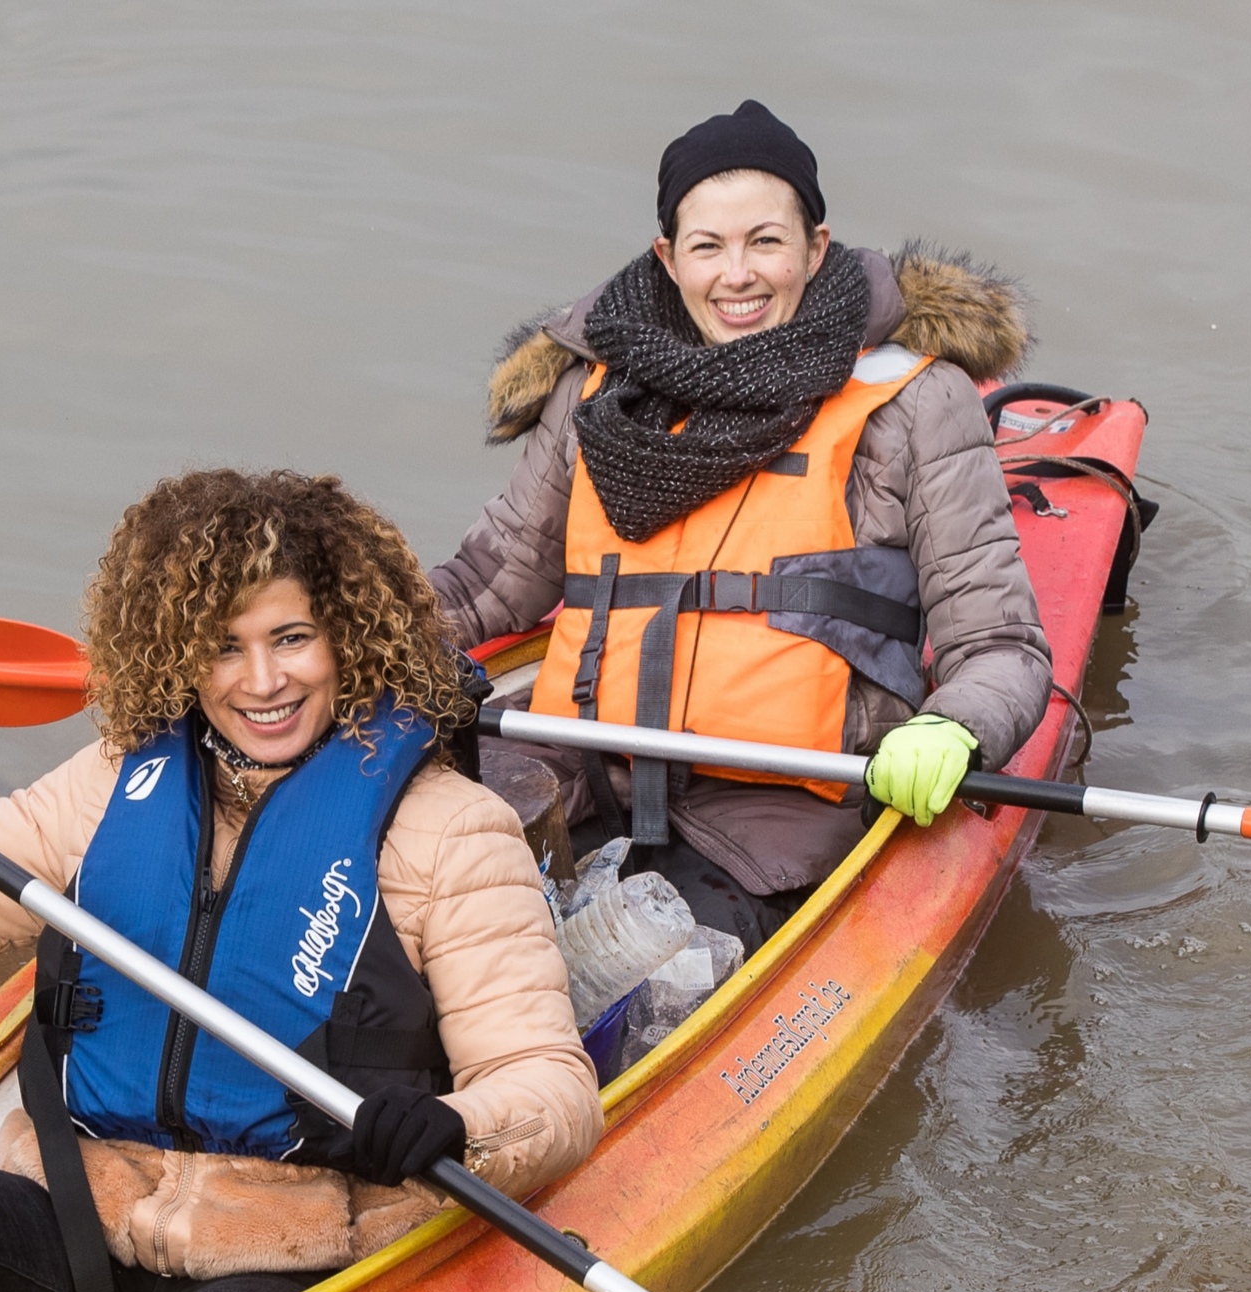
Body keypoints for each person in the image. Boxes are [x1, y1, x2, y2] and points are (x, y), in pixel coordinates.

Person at [0, 468, 602, 1292]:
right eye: (223, 647)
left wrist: (461, 1127)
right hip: (90, 1223)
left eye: (292, 639)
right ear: (175, 654)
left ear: (349, 639)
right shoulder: (118, 782)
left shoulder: (449, 830)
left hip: (299, 1257)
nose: (262, 682)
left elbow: (549, 1086)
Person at [430, 100, 1054, 953]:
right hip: (575, 774)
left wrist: (957, 727)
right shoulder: (593, 392)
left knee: (638, 991)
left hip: (779, 814)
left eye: (766, 241)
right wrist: (334, 642)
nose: (738, 275)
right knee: (413, 929)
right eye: (708, 246)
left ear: (815, 248)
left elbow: (1000, 647)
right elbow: (482, 585)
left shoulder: (914, 405)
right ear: (668, 256)